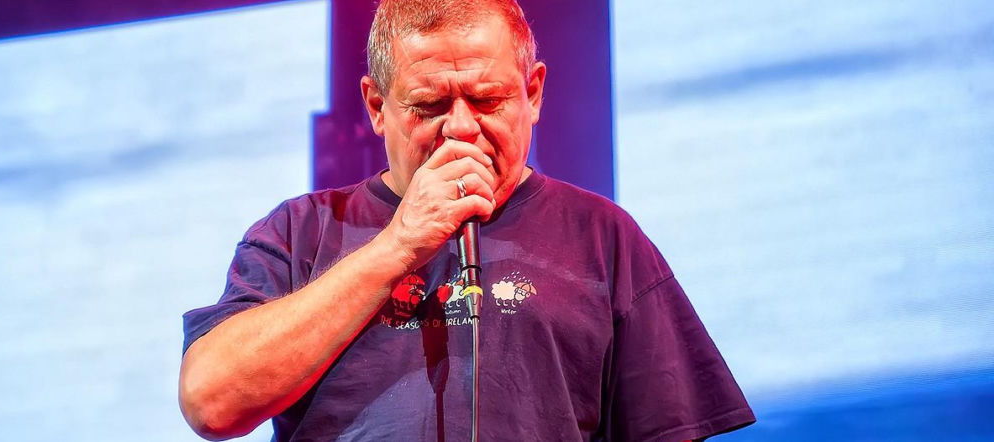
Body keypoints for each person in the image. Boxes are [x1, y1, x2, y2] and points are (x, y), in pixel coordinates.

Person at [178, 0, 755, 440]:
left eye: (487, 100)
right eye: (428, 105)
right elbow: (211, 403)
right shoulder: (300, 231)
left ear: (533, 94)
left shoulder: (602, 236)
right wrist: (398, 244)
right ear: (378, 107)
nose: (460, 128)